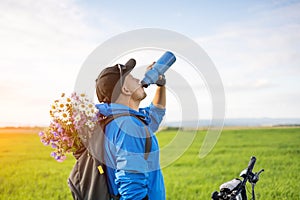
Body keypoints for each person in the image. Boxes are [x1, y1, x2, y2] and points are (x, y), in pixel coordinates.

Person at [95, 58, 166, 200]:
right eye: (132, 78)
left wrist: (161, 86)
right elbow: (132, 189)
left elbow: (154, 115)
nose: (139, 80)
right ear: (125, 89)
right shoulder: (128, 126)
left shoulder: (117, 121)